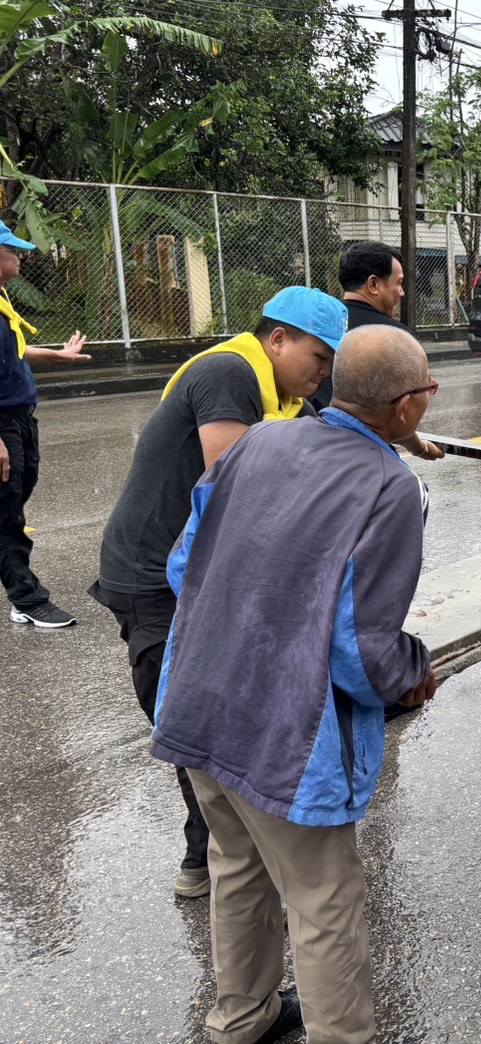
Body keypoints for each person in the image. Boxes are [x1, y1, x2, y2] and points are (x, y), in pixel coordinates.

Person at [151, 324, 439, 1044]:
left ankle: (240, 1017)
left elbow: (184, 567)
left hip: (197, 697)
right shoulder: (389, 486)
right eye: (429, 389)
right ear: (407, 405)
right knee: (324, 901)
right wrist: (412, 672)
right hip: (282, 732)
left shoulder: (258, 441)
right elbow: (359, 650)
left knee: (236, 867)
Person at [91, 286, 346, 898]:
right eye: (319, 357)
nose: (323, 374)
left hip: (203, 571)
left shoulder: (286, 394)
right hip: (153, 577)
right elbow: (237, 488)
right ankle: (216, 862)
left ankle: (216, 861)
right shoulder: (229, 373)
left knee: (224, 714)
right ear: (277, 339)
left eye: (332, 364)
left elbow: (329, 443)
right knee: (195, 718)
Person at [0, 224, 92, 629]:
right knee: (6, 514)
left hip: (21, 417)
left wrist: (59, 356)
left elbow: (16, 349)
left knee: (16, 497)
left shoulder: (2, 299)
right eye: (11, 249)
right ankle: (27, 599)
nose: (20, 256)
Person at [310, 241, 442, 462]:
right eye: (398, 283)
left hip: (313, 444)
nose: (402, 292)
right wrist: (418, 447)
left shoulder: (315, 328)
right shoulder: (394, 339)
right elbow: (395, 416)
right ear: (373, 284)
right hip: (361, 454)